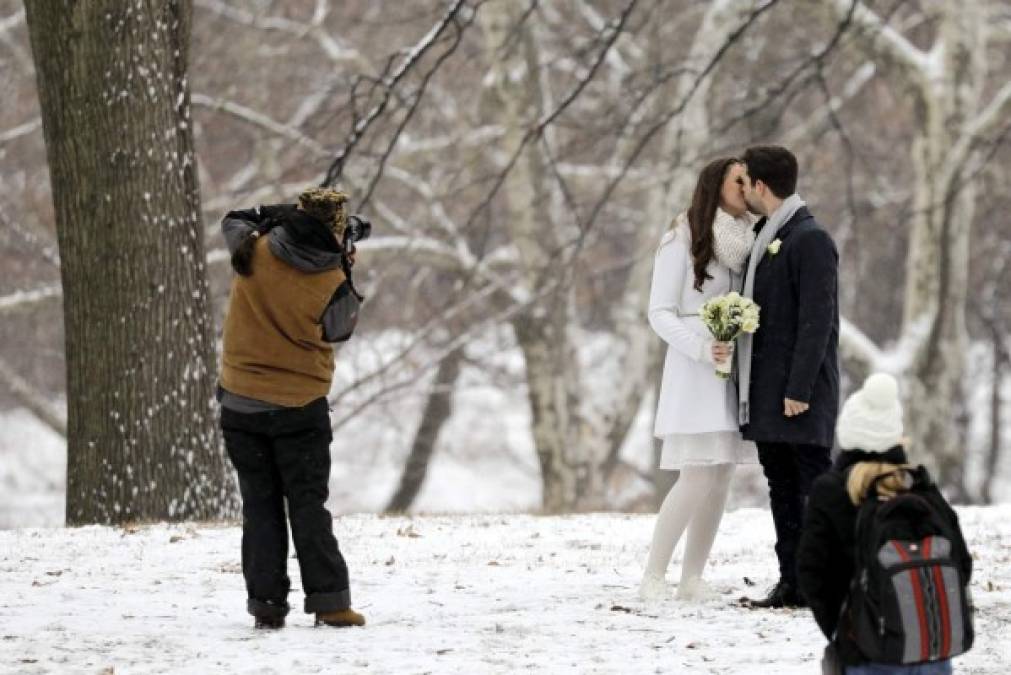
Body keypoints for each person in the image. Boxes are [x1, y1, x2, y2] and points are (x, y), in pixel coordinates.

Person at [217, 187, 366, 629]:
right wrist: (344, 269)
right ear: (337, 231)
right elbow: (339, 332)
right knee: (306, 505)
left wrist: (281, 218)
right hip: (299, 408)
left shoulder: (252, 248)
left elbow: (234, 218)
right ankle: (330, 602)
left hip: (240, 403)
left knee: (259, 507)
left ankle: (266, 604)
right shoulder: (331, 281)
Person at [639, 157, 758, 601]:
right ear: (716, 185)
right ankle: (654, 574)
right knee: (696, 476)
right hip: (695, 368)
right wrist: (699, 347)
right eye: (737, 180)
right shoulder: (681, 237)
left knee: (721, 475)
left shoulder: (746, 238)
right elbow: (659, 311)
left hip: (732, 368)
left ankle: (692, 578)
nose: (746, 188)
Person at [797, 373, 971, 674]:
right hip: (932, 652)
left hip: (868, 653)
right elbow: (961, 563)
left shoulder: (832, 490)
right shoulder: (921, 487)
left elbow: (812, 573)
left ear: (848, 433)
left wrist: (845, 631)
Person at [736, 145, 840, 609]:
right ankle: (792, 582)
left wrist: (799, 389)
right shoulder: (765, 235)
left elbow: (818, 320)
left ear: (761, 186)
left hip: (800, 392)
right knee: (781, 485)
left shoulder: (809, 238)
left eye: (745, 184)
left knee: (813, 487)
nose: (743, 194)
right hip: (767, 391)